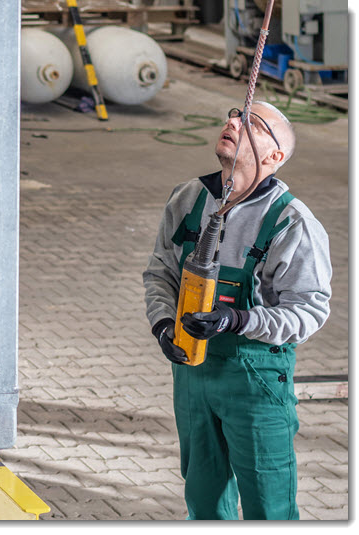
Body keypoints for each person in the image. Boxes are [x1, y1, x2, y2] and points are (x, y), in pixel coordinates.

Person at [142, 102, 331, 520]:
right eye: (235, 114)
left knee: (269, 505)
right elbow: (160, 272)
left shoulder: (292, 222)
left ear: (274, 156)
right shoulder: (188, 198)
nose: (233, 122)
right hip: (192, 373)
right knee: (204, 501)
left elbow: (310, 311)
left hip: (255, 379)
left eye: (253, 124)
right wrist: (162, 324)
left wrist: (240, 320)